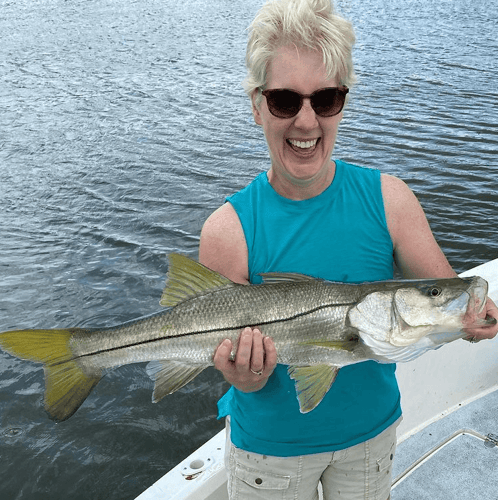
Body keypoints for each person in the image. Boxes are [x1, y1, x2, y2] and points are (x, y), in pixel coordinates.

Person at [198, 0, 498, 498]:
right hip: (269, 453)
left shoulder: (390, 201)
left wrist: (475, 320)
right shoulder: (227, 230)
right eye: (284, 101)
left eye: (327, 99)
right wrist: (243, 376)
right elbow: (231, 374)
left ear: (344, 102)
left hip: (371, 439)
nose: (307, 122)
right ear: (256, 105)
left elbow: (448, 298)